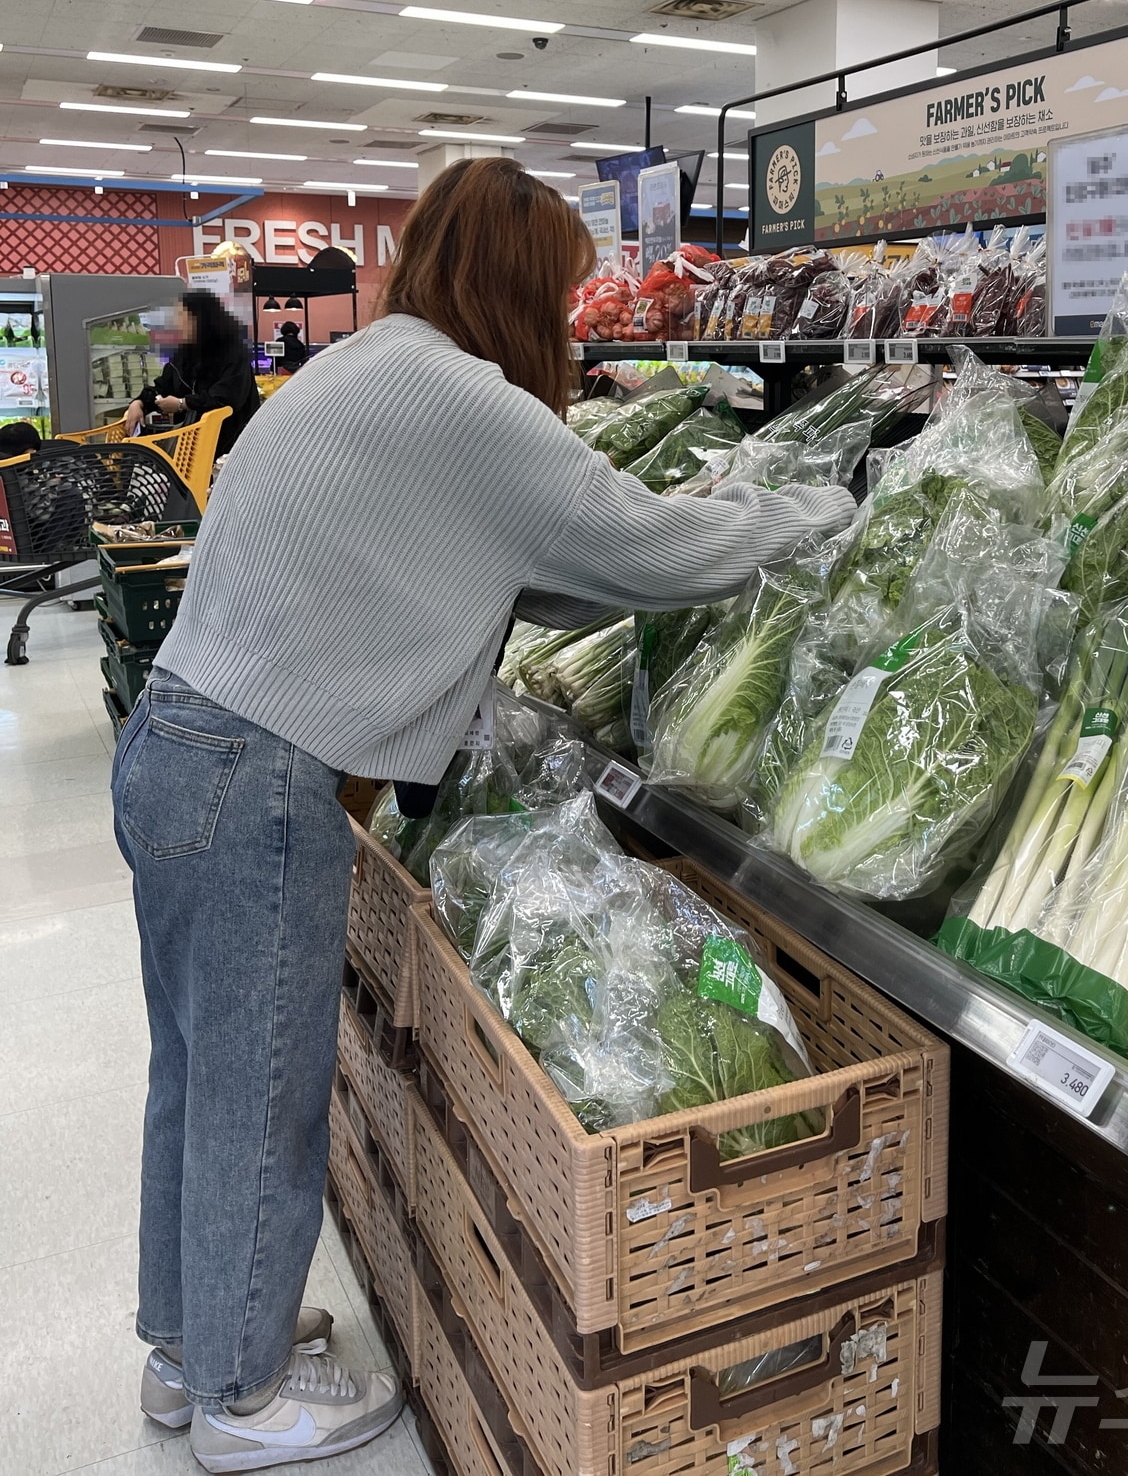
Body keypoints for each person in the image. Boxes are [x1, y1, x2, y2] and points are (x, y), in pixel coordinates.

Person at [110, 156, 855, 1473]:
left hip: (176, 746)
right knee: (260, 1086)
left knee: (198, 1067)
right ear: (515, 280)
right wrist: (815, 510)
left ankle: (190, 1347)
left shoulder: (372, 366)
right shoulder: (470, 403)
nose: (568, 322)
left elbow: (528, 569)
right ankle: (242, 1395)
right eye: (562, 293)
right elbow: (651, 549)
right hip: (257, 778)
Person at [123, 289, 260, 455]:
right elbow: (162, 388)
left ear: (201, 319)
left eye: (182, 316)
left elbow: (227, 397)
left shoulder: (233, 353)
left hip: (232, 448)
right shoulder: (184, 354)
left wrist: (182, 403)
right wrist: (138, 403)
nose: (177, 323)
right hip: (192, 451)